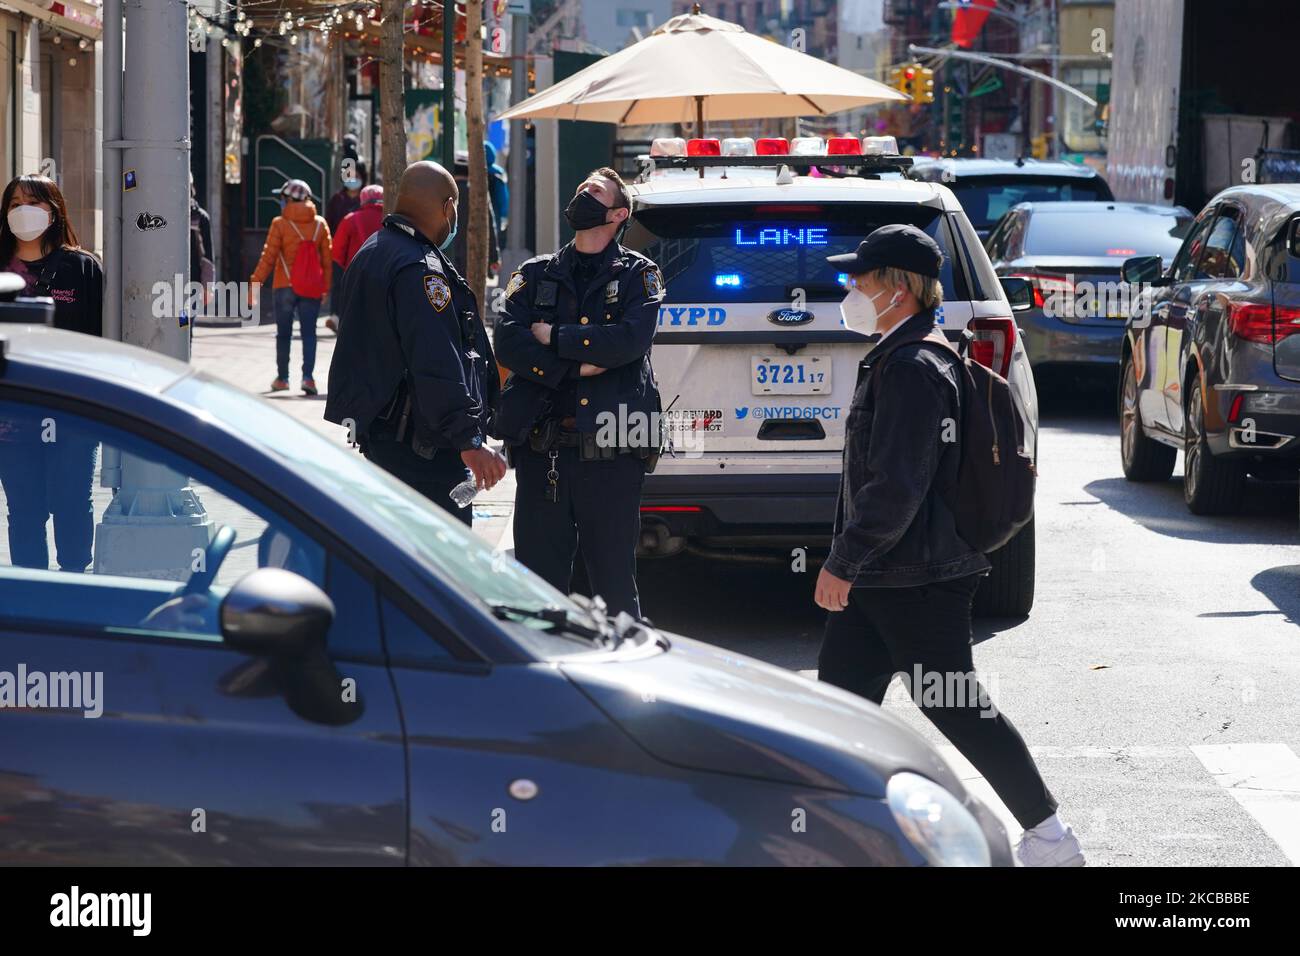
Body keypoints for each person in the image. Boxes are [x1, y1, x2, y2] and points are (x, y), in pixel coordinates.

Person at [813, 224, 1083, 868]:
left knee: (954, 704)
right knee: (839, 709)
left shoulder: (911, 366)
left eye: (862, 278)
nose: (849, 287)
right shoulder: (907, 353)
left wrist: (842, 561)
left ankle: (1049, 835)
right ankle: (834, 835)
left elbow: (897, 485)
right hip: (896, 572)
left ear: (897, 289)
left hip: (915, 575)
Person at [494, 168, 664, 618]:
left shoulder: (638, 276)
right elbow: (507, 341)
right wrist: (581, 363)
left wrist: (553, 337)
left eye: (593, 192)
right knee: (536, 591)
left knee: (613, 590)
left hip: (611, 455)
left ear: (618, 213)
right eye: (579, 188)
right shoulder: (535, 273)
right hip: (542, 453)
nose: (581, 195)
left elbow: (629, 342)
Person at [324, 160, 505, 525]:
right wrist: (468, 440)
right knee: (440, 569)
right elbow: (435, 360)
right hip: (423, 456)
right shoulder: (420, 269)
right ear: (447, 208)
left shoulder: (374, 250)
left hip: (385, 440)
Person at [0, 173, 104, 572]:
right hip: (13, 416)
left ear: (55, 211)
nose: (24, 211)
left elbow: (101, 343)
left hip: (72, 412)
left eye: (35, 202)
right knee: (24, 511)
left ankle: (75, 588)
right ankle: (35, 599)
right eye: (14, 204)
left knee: (72, 502)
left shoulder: (82, 268)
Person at [249, 179, 332, 395]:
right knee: (309, 334)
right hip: (312, 287)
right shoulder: (320, 224)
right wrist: (326, 288)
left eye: (282, 199)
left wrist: (255, 284)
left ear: (287, 199)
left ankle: (283, 379)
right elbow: (327, 261)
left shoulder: (280, 224)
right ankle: (308, 379)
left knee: (283, 334)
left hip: (284, 286)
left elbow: (268, 257)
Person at [484, 141, 509, 245]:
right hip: (494, 216)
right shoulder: (497, 174)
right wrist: (504, 215)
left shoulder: (468, 171)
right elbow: (503, 199)